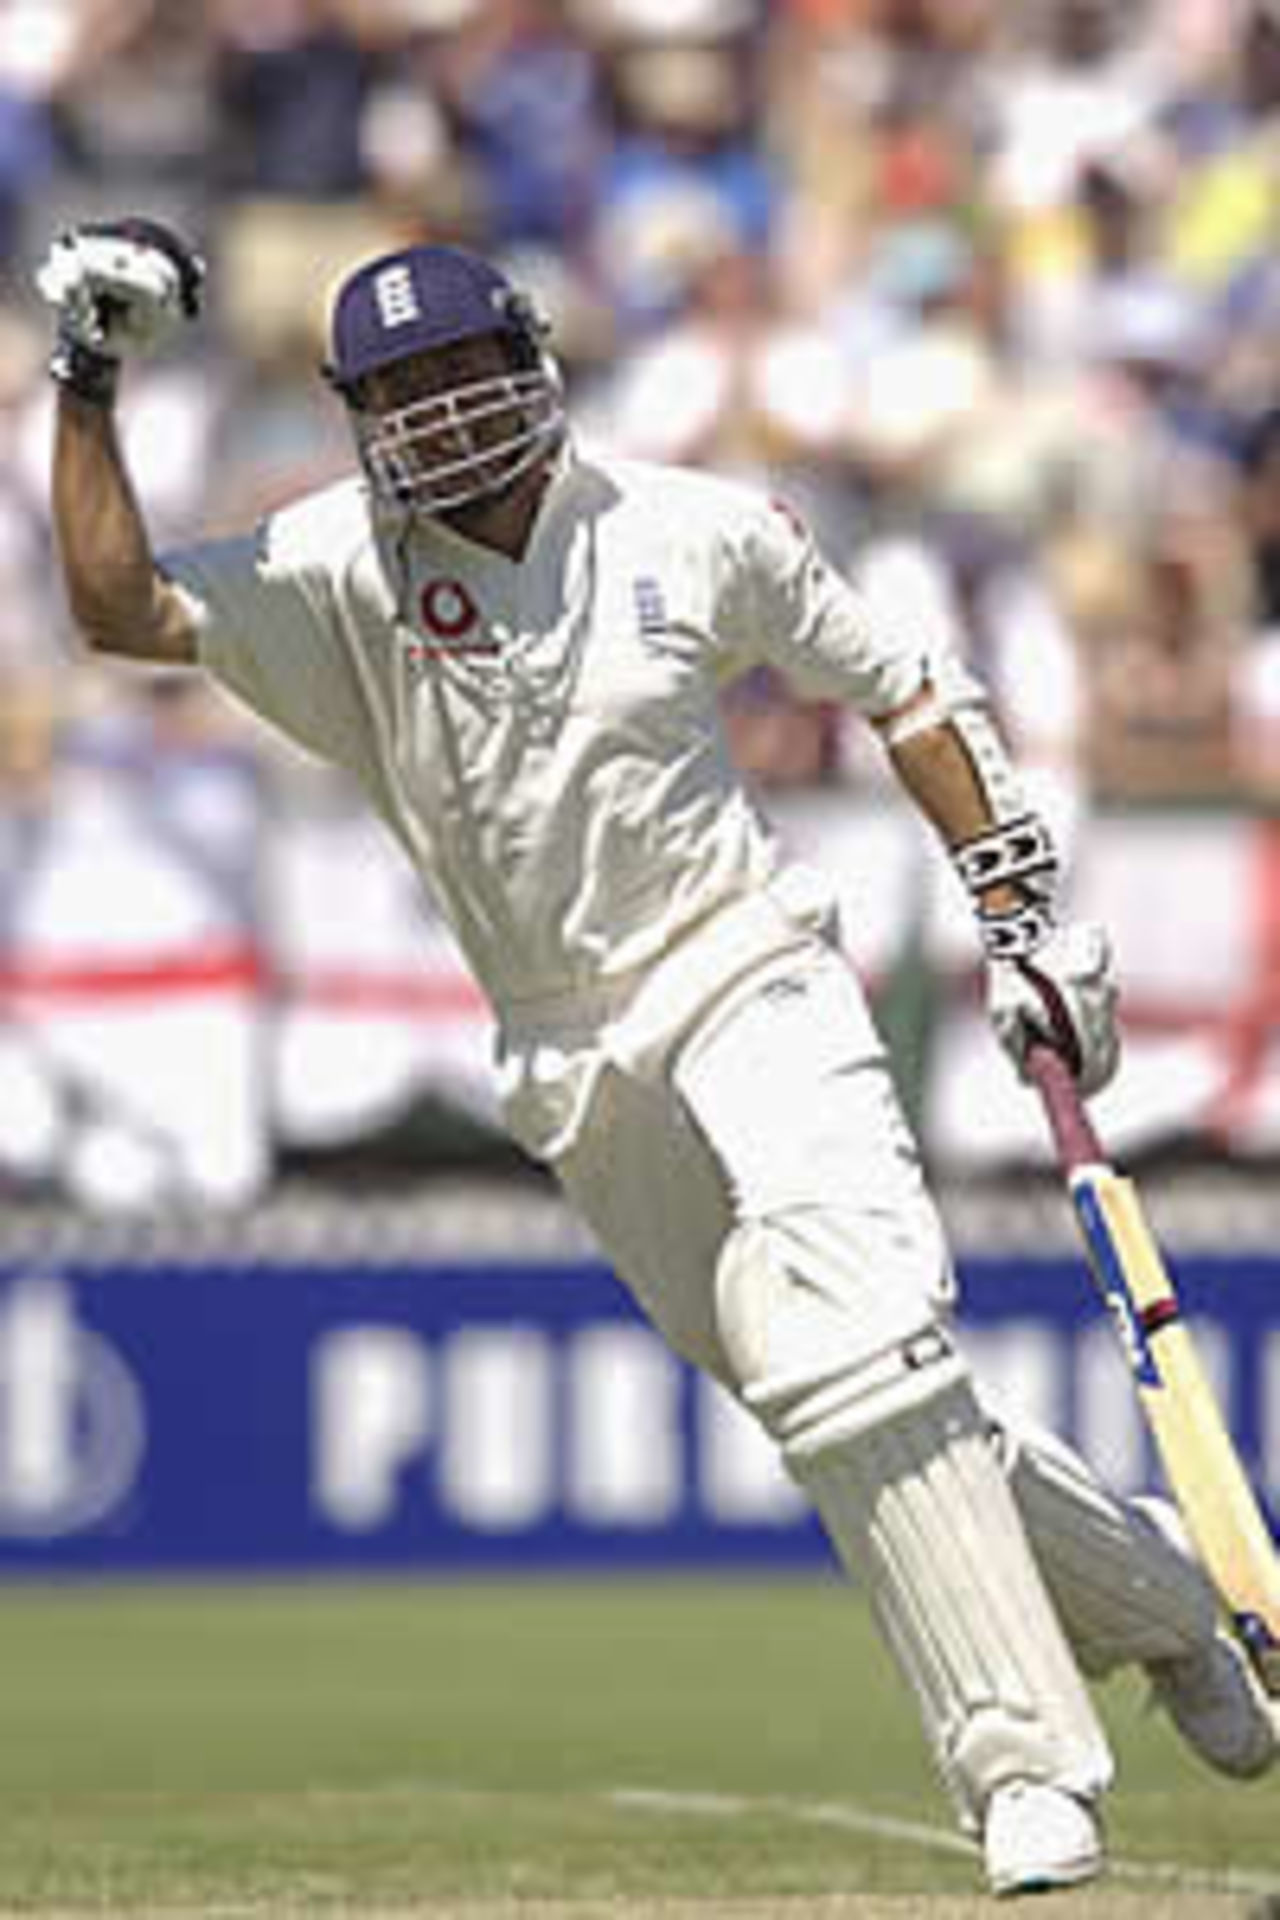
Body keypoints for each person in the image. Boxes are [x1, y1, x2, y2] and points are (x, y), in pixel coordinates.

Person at [38, 218, 1276, 1897]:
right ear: (355, 414)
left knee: (858, 1345)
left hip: (747, 966)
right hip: (565, 1051)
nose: (444, 415)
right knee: (833, 1398)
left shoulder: (690, 527)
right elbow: (120, 609)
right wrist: (89, 381)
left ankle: (1024, 1769)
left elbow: (904, 687)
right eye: (400, 392)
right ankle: (1155, 1599)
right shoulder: (334, 566)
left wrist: (1026, 915)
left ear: (535, 359)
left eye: (468, 371)